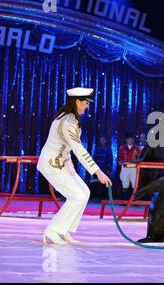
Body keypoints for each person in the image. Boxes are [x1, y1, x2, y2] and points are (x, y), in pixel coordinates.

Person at [37, 87, 112, 244]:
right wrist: (98, 172)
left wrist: (72, 171)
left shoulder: (68, 118)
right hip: (52, 164)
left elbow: (68, 150)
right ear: (77, 102)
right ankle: (53, 230)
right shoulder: (68, 122)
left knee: (84, 192)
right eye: (85, 103)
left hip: (62, 164)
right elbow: (78, 149)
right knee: (76, 196)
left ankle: (63, 231)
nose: (87, 106)